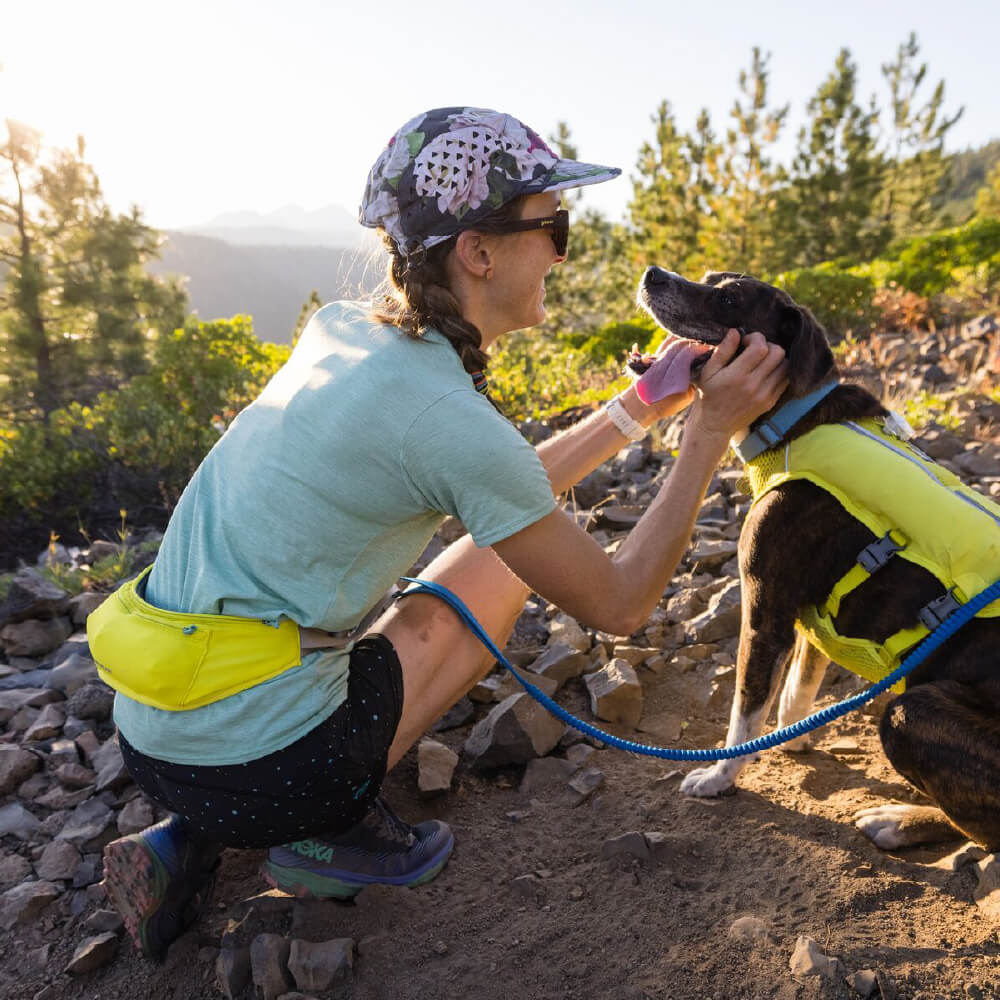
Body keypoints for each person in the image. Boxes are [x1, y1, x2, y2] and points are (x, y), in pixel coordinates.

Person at [95, 106, 787, 961]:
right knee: (500, 568)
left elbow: (497, 476)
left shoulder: (341, 333)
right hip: (267, 763)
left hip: (153, 729)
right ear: (479, 251)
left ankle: (193, 834)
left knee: (478, 553)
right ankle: (324, 830)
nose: (564, 253)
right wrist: (709, 433)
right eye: (553, 227)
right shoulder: (448, 418)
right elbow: (619, 603)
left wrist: (638, 410)